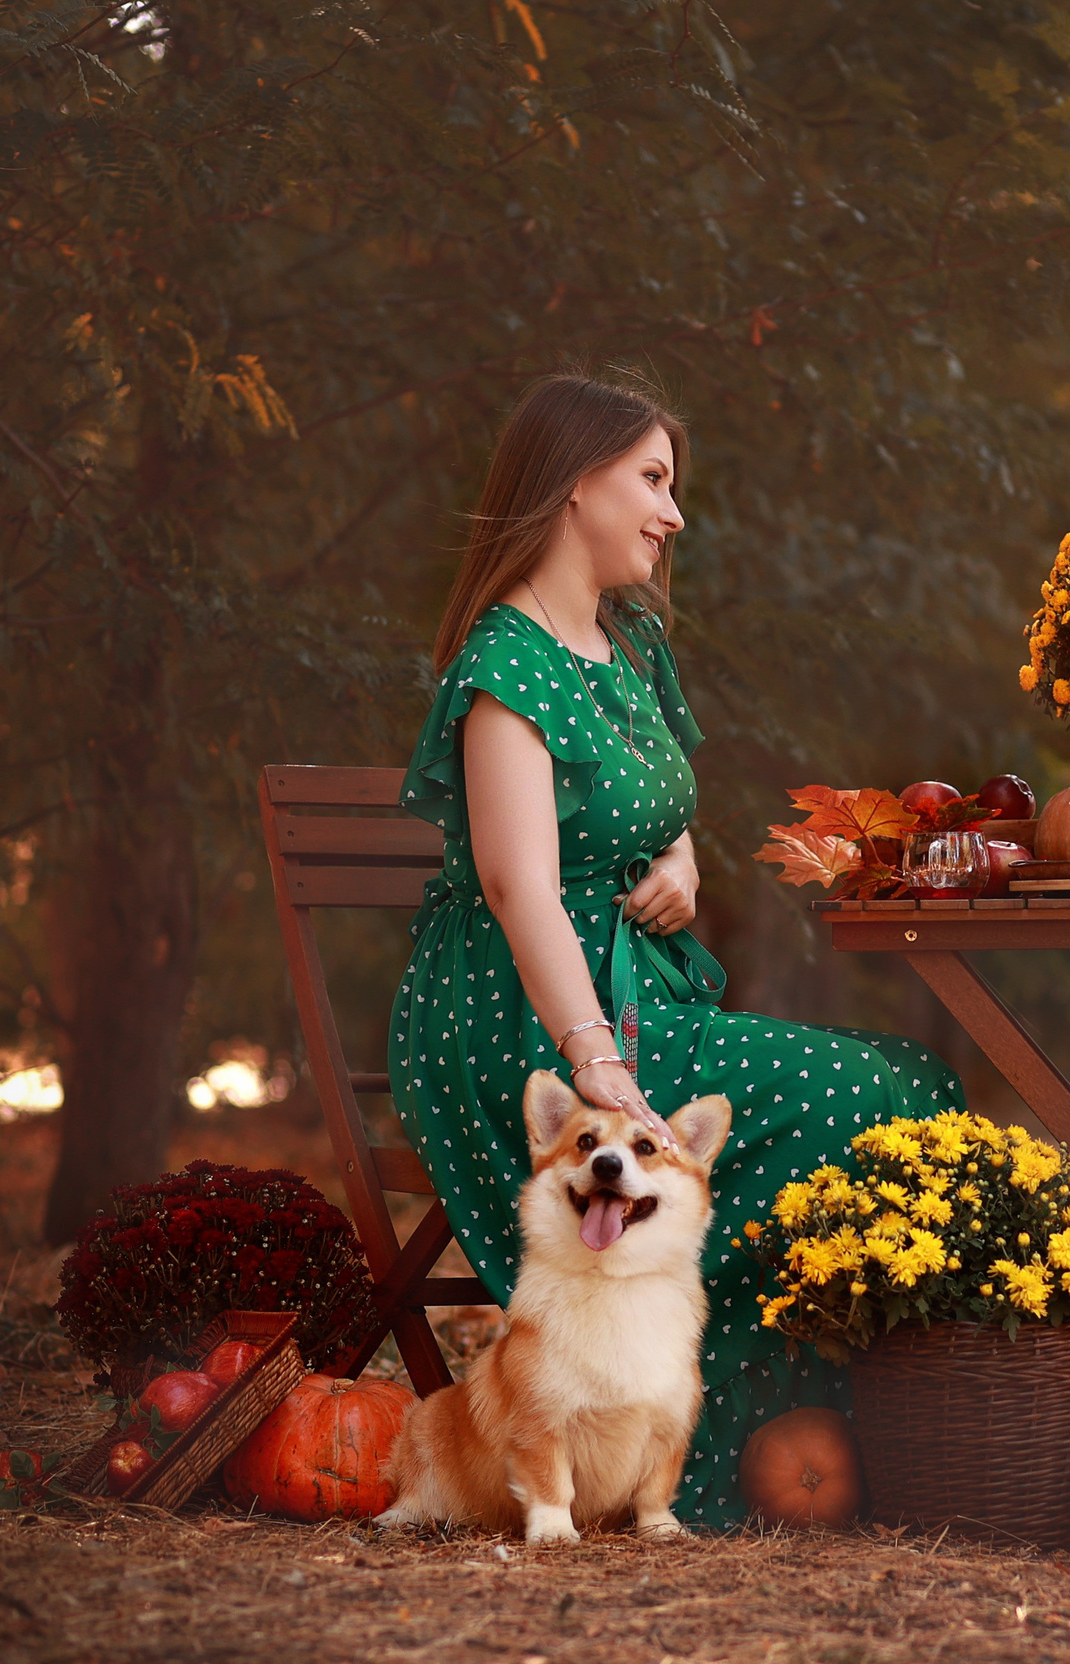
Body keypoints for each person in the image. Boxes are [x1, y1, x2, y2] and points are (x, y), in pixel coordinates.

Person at [386, 372, 966, 1526]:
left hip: (632, 992)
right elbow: (518, 884)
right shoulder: (504, 667)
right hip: (520, 1015)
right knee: (856, 1095)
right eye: (652, 479)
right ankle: (701, 1454)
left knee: (913, 1085)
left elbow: (654, 800)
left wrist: (684, 860)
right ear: (571, 487)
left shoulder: (627, 644)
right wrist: (595, 1063)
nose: (672, 512)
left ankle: (808, 1431)